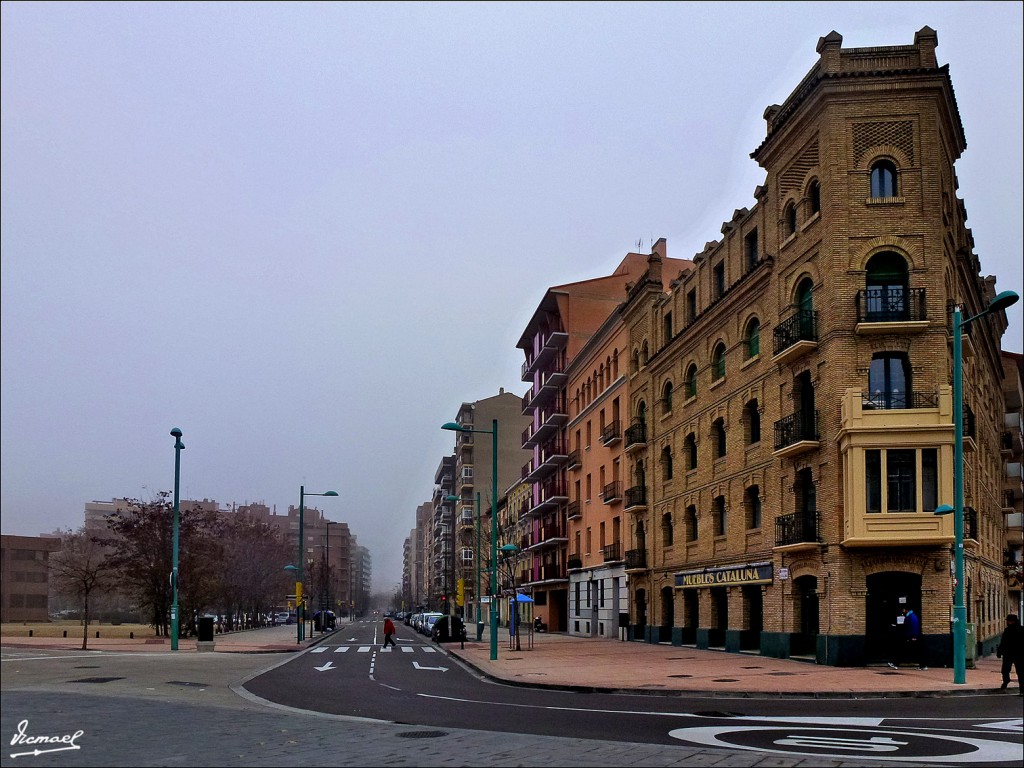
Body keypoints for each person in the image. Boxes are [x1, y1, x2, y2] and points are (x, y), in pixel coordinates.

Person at [996, 613, 1022, 694]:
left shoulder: (1013, 630)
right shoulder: (1010, 630)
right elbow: (1003, 642)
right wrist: (1000, 651)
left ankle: (1019, 689)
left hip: (1014, 654)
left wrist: (1000, 652)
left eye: (1010, 621)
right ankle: (1007, 682)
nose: (1009, 622)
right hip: (1013, 654)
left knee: (1015, 671)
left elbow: (1003, 642)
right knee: (1009, 670)